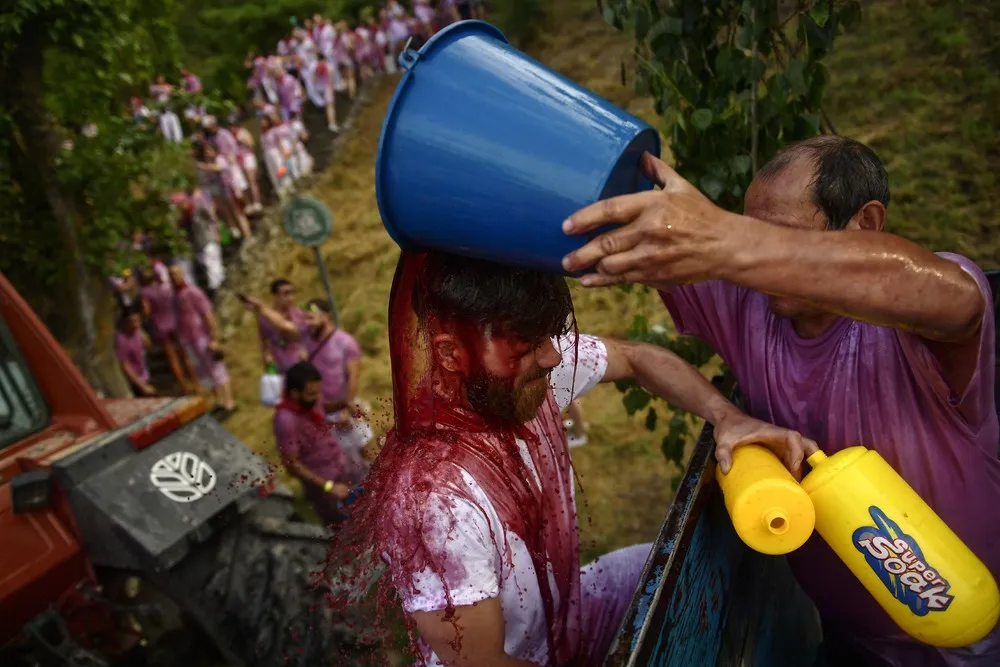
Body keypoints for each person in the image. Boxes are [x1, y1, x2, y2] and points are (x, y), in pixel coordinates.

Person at [560, 137, 1000, 666]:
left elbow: (953, 298)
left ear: (865, 225)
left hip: (975, 633)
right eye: (750, 229)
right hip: (855, 643)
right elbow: (602, 212)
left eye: (774, 236)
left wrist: (729, 241)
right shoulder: (748, 301)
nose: (753, 256)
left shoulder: (921, 318)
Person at [344, 251, 817, 667]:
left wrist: (727, 416)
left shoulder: (526, 375)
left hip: (567, 616)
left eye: (549, 338)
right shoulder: (431, 503)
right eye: (529, 348)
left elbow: (635, 357)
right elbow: (482, 662)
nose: (553, 358)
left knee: (694, 569)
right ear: (452, 354)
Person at [274, 361, 367, 527]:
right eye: (311, 394)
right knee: (344, 525)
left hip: (341, 460)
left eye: (318, 392)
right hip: (325, 482)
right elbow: (291, 464)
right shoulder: (285, 421)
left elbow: (323, 407)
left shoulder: (311, 399)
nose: (317, 397)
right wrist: (329, 486)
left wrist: (344, 404)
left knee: (367, 500)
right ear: (295, 393)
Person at [301, 298, 373, 454]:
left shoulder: (345, 342)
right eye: (305, 318)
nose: (308, 323)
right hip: (322, 412)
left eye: (311, 318)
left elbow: (353, 377)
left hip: (344, 409)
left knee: (365, 451)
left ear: (326, 316)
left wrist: (347, 408)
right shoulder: (306, 340)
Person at [169, 263, 236, 417]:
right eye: (171, 274)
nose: (174, 277)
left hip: (201, 337)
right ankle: (219, 400)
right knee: (204, 371)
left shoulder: (193, 292)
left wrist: (213, 337)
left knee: (216, 369)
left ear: (182, 274)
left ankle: (229, 402)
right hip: (189, 339)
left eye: (176, 273)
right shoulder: (175, 297)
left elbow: (207, 313)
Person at [137, 265, 199, 394]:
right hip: (174, 321)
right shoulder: (168, 287)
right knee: (185, 355)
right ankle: (196, 383)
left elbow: (146, 311)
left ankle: (184, 388)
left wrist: (143, 319)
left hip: (159, 325)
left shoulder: (144, 292)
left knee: (173, 358)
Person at [243, 279, 309, 373]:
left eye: (292, 293)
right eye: (286, 294)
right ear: (275, 296)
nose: (291, 298)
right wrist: (267, 364)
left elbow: (294, 331)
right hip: (280, 370)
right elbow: (264, 343)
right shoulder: (264, 319)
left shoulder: (298, 314)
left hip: (301, 368)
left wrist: (260, 307)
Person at [115, 305, 155, 397]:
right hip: (135, 380)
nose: (136, 325)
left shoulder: (138, 330)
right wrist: (142, 386)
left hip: (145, 373)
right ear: (125, 323)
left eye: (137, 321)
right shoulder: (121, 340)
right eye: (132, 322)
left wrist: (146, 342)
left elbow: (147, 346)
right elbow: (124, 366)